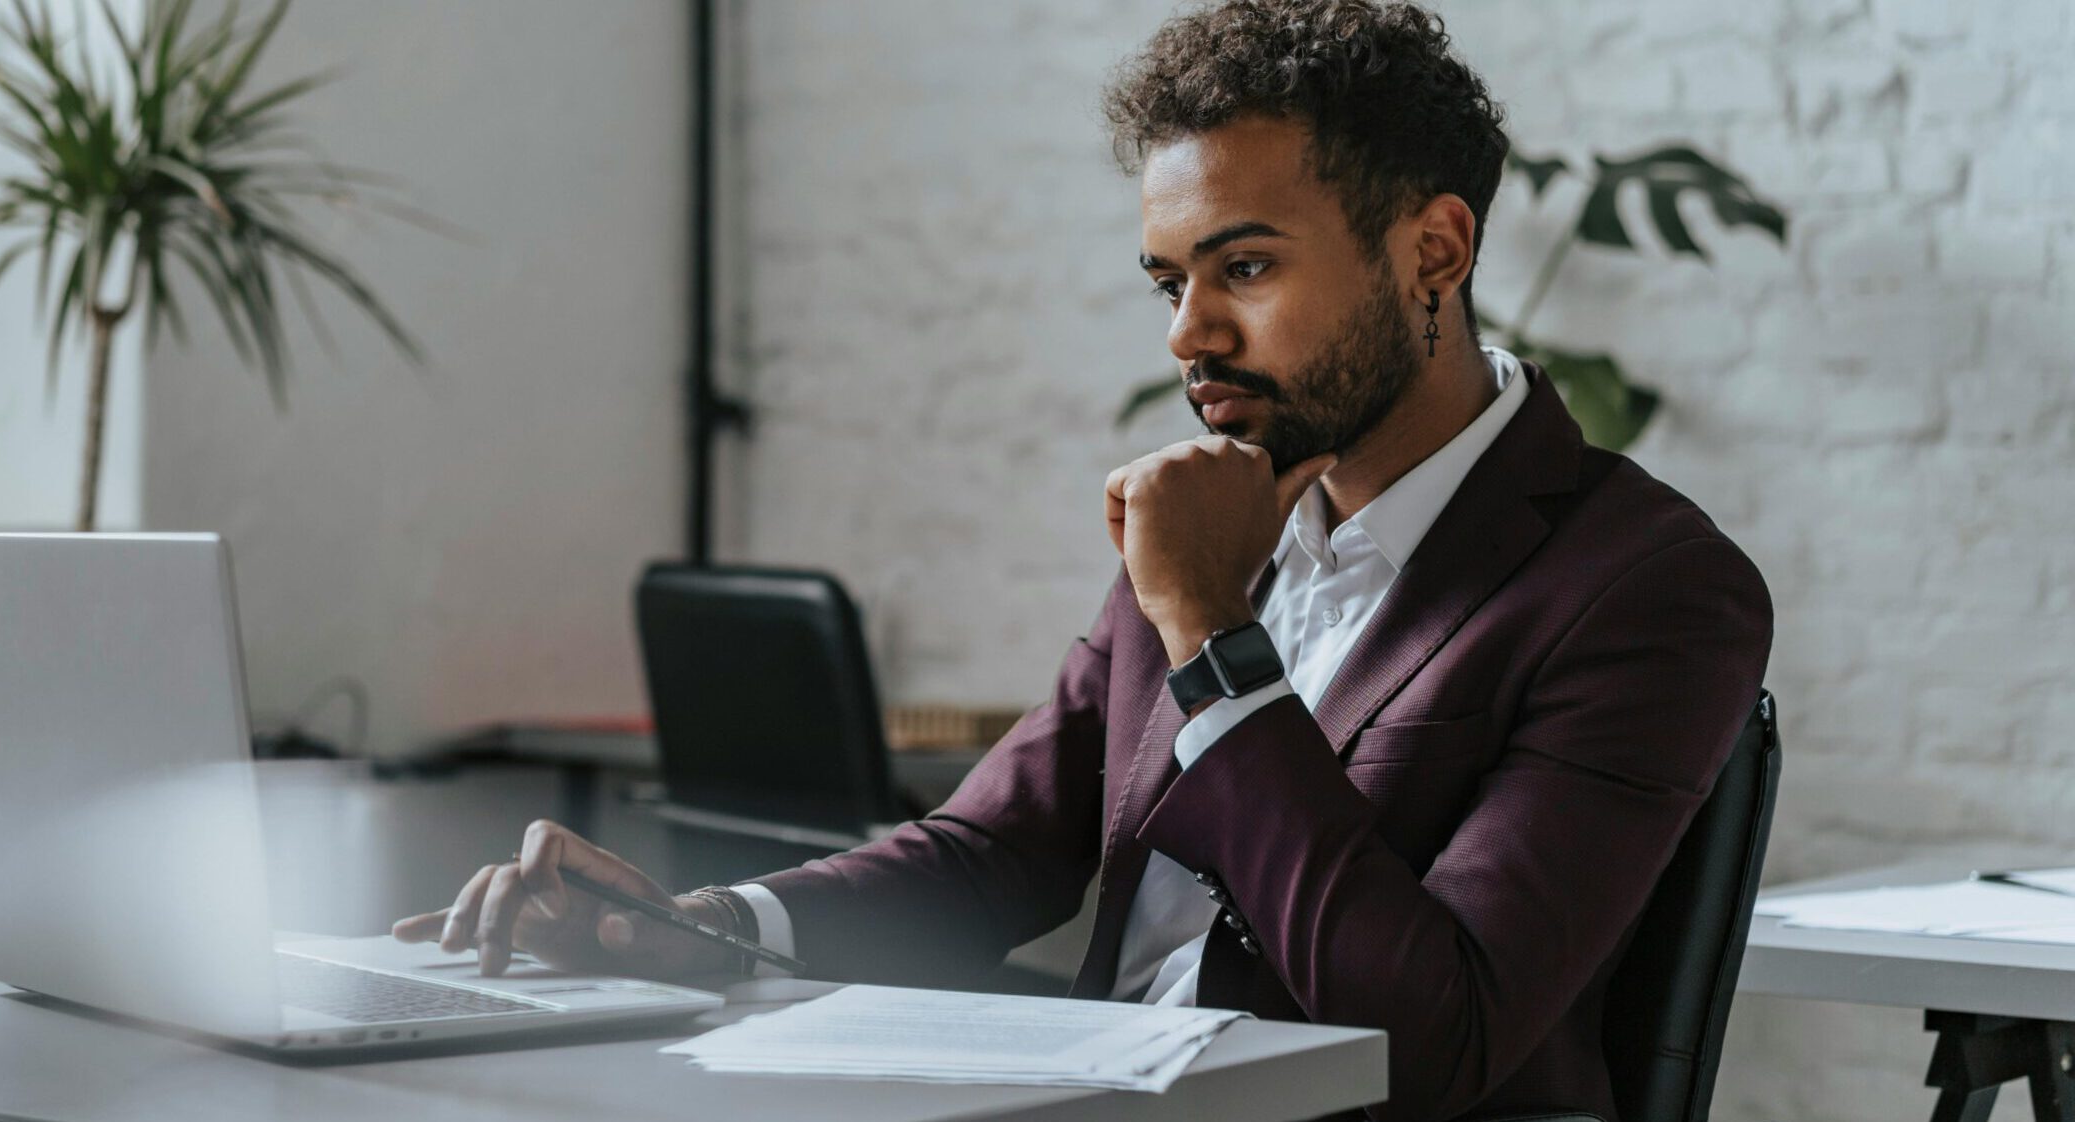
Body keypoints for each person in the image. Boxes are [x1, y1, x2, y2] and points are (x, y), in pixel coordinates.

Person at [396, 2, 1772, 1118]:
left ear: (1433, 248)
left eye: (1242, 269)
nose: (1187, 335)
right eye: (1170, 281)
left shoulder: (1645, 588)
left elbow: (1435, 1035)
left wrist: (1210, 638)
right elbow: (996, 847)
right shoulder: (1225, 515)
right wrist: (693, 923)